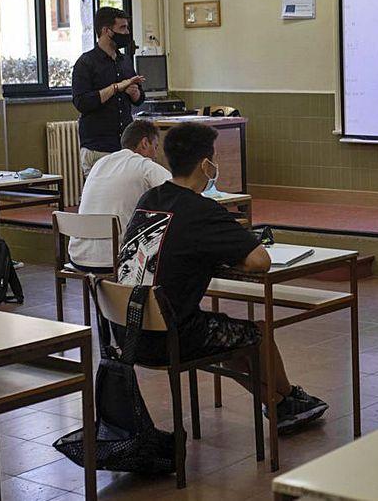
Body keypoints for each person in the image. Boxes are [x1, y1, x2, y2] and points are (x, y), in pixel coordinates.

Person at [115, 122, 328, 432]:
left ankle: (283, 404)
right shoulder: (202, 211)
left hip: (128, 333)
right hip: (170, 338)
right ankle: (286, 400)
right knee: (257, 332)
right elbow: (260, 261)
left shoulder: (149, 199)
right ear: (206, 164)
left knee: (227, 332)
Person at [68, 119, 171, 272]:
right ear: (144, 143)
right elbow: (178, 190)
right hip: (115, 258)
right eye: (155, 147)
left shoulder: (100, 163)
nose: (155, 155)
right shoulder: (144, 165)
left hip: (78, 256)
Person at [71, 6, 145, 177]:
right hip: (98, 145)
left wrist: (135, 93)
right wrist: (115, 88)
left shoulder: (124, 60)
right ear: (106, 30)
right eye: (122, 28)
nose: (127, 32)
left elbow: (139, 98)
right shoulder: (86, 63)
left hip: (124, 144)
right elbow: (82, 102)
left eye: (127, 27)